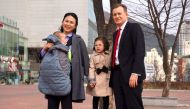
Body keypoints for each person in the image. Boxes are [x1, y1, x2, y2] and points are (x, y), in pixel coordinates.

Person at [39, 12, 89, 109]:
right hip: (54, 78)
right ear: (62, 22)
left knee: (67, 106)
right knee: (52, 106)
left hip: (69, 78)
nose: (68, 24)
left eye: (71, 22)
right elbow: (43, 58)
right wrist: (44, 49)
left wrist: (90, 78)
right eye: (66, 21)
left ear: (75, 26)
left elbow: (85, 60)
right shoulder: (53, 38)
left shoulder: (78, 40)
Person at [109, 4, 146, 109]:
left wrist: (135, 73)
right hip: (116, 74)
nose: (117, 16)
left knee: (133, 105)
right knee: (120, 105)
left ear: (126, 14)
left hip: (131, 74)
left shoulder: (134, 28)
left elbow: (140, 51)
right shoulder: (115, 33)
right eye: (114, 14)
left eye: (119, 13)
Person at [86, 37, 112, 109]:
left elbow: (111, 65)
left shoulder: (109, 55)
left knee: (106, 97)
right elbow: (91, 68)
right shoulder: (93, 56)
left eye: (100, 45)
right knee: (96, 97)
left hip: (106, 79)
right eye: (96, 45)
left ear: (105, 45)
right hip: (96, 79)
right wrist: (91, 80)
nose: (97, 47)